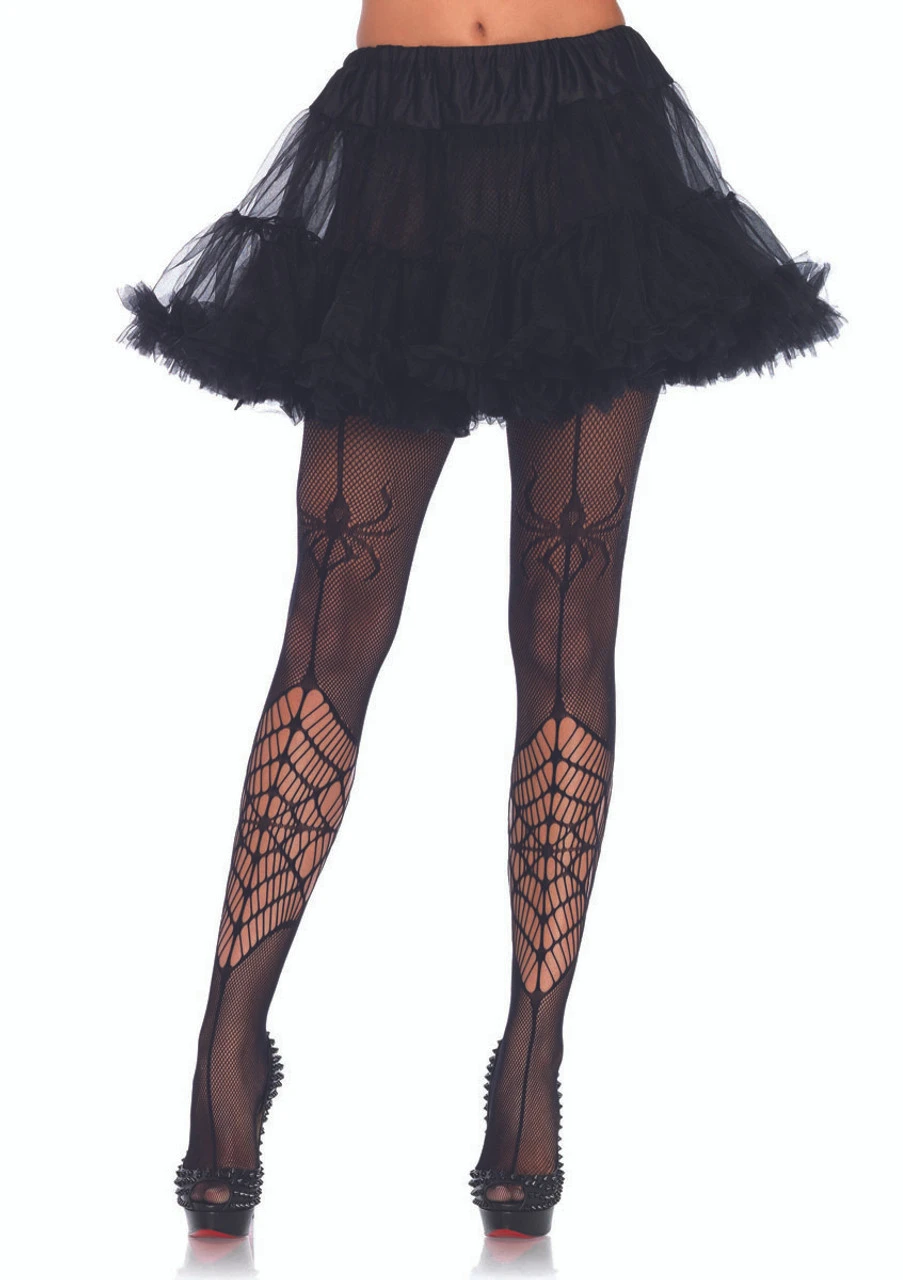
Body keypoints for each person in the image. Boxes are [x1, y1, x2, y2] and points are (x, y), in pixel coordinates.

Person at [117, 0, 845, 1242]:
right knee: (332, 618)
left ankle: (532, 1059)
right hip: (403, 141)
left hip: (591, 141)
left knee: (568, 627)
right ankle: (228, 1039)